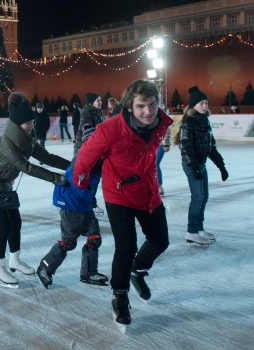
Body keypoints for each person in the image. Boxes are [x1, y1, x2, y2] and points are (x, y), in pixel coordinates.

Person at [72, 79, 173, 328]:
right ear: (129, 106)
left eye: (151, 104)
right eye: (141, 106)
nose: (148, 111)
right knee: (126, 247)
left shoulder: (159, 122)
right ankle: (120, 295)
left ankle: (137, 271)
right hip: (118, 194)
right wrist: (81, 184)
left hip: (148, 190)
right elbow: (85, 156)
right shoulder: (110, 129)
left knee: (160, 240)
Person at [0, 92, 70, 288]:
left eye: (32, 122)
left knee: (16, 223)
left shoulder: (26, 138)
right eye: (29, 123)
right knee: (4, 226)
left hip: (4, 187)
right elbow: (26, 167)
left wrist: (71, 166)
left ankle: (14, 260)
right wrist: (56, 179)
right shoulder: (7, 144)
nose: (32, 126)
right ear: (19, 124)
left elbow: (45, 156)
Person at [38, 160, 108, 289]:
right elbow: (80, 179)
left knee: (94, 238)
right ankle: (45, 267)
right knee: (69, 242)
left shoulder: (101, 161)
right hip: (69, 202)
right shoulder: (84, 158)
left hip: (84, 203)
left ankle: (89, 273)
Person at [178, 86, 229, 245]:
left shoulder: (205, 121)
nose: (205, 106)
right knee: (198, 197)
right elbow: (185, 147)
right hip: (192, 165)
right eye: (201, 103)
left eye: (206, 103)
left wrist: (221, 166)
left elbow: (211, 147)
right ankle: (192, 231)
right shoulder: (188, 123)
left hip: (202, 164)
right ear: (193, 105)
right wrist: (194, 168)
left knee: (204, 197)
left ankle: (199, 229)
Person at [75, 93, 105, 214]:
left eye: (100, 99)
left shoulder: (96, 112)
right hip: (88, 151)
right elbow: (87, 135)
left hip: (94, 150)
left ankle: (88, 203)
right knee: (90, 179)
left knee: (94, 179)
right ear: (91, 102)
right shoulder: (88, 114)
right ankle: (88, 204)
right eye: (98, 100)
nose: (100, 102)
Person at [155, 125, 172, 196]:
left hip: (160, 144)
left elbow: (166, 129)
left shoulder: (160, 116)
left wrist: (166, 144)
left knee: (155, 163)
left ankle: (159, 185)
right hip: (150, 144)